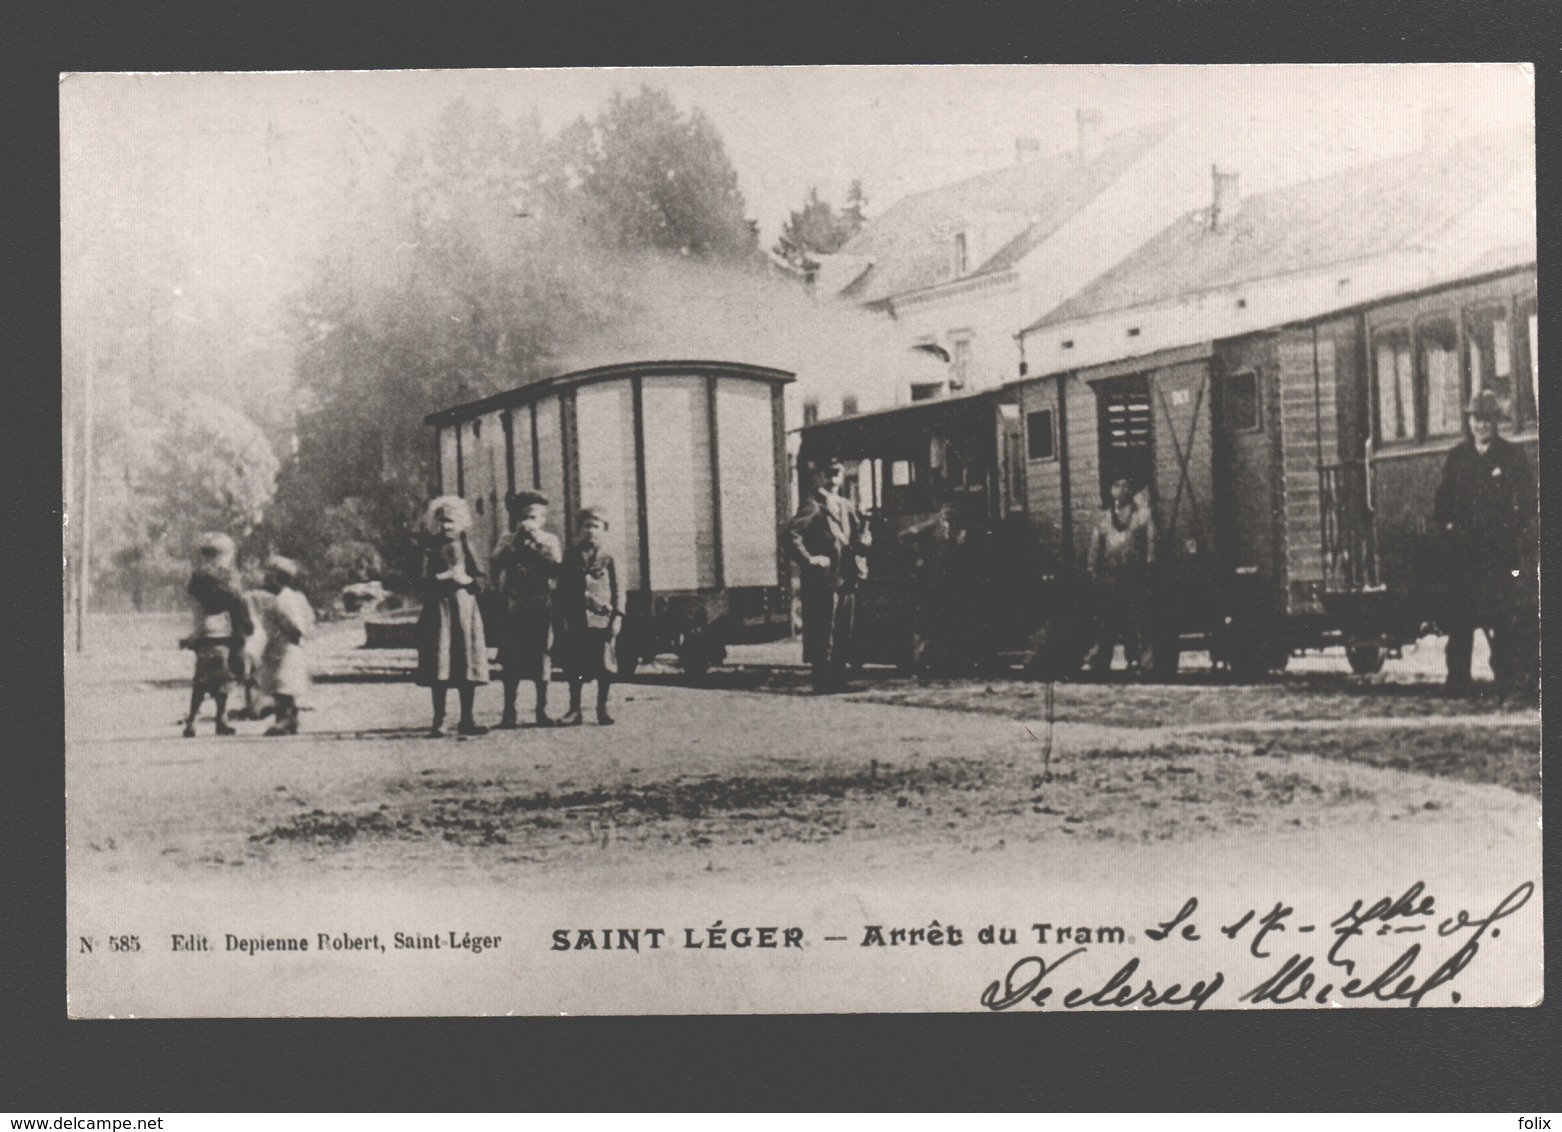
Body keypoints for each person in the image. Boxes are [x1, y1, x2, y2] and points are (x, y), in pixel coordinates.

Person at [1433, 389, 1536, 697]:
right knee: (1461, 620)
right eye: (1477, 419)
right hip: (1465, 556)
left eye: (1488, 420)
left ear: (1496, 422)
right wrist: (1450, 528)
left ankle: (1505, 678)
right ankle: (1458, 681)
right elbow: (1442, 504)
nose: (1481, 426)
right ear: (1470, 421)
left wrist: (1510, 528)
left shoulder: (1512, 456)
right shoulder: (1457, 458)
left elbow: (1529, 501)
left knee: (1503, 618)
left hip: (1500, 555)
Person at [786, 455, 872, 692]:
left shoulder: (847, 505)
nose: (833, 478)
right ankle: (822, 679)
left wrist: (866, 538)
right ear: (820, 476)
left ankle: (837, 677)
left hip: (847, 575)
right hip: (823, 579)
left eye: (837, 473)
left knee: (844, 629)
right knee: (824, 630)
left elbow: (858, 540)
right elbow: (791, 535)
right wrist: (809, 559)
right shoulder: (813, 505)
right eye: (829, 473)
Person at [414, 495, 490, 736]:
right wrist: (443, 577)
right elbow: (418, 580)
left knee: (466, 660)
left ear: (461, 522)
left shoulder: (466, 542)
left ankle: (468, 717)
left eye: (451, 521)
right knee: (440, 663)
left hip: (464, 609)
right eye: (441, 521)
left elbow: (480, 578)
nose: (446, 526)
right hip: (439, 610)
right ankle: (440, 719)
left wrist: (467, 580)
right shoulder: (429, 546)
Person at [491, 490, 563, 729]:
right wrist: (514, 544)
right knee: (511, 660)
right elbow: (495, 564)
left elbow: (556, 570)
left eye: (535, 516)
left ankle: (542, 710)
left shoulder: (550, 540)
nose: (529, 521)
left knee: (541, 657)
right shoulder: (507, 540)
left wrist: (538, 544)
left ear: (543, 519)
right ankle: (509, 711)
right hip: (514, 606)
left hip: (540, 606)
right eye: (524, 516)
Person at [179, 532, 254, 737]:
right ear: (223, 555)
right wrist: (246, 625)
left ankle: (192, 720)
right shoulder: (225, 578)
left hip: (203, 633)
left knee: (201, 681)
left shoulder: (197, 578)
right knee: (223, 681)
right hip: (222, 634)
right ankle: (220, 719)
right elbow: (236, 602)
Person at [557, 507, 622, 725]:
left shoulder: (610, 556)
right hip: (577, 618)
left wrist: (618, 617)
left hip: (603, 619)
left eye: (596, 526)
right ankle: (574, 709)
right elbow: (563, 589)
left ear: (604, 529)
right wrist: (564, 617)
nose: (591, 531)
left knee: (605, 666)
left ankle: (602, 708)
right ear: (579, 529)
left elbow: (619, 589)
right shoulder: (571, 555)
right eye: (587, 526)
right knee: (575, 666)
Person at [1085, 478, 1156, 677]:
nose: (1121, 489)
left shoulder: (1142, 515)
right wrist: (1093, 569)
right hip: (1111, 576)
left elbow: (1151, 542)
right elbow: (1095, 547)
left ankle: (1143, 663)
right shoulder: (1104, 518)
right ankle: (1099, 662)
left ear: (1131, 489)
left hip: (1133, 574)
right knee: (1109, 621)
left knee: (1139, 621)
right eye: (1116, 485)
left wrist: (1149, 565)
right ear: (1111, 490)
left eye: (1125, 485)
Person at [254, 556, 315, 736]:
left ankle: (284, 719)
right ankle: (289, 719)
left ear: (276, 577)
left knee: (283, 686)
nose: (265, 578)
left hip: (285, 647)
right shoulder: (288, 597)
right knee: (280, 684)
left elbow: (295, 626)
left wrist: (288, 637)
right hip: (280, 646)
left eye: (268, 575)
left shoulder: (284, 599)